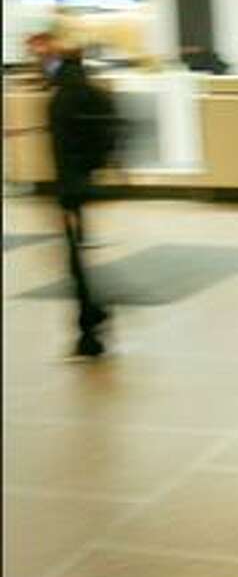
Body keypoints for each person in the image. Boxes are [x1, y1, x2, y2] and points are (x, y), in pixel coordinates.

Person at [35, 32, 117, 357]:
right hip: (86, 179)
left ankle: (89, 324)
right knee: (76, 255)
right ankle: (92, 315)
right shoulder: (91, 91)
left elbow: (61, 152)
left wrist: (63, 193)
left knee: (74, 260)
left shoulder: (59, 99)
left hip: (69, 187)